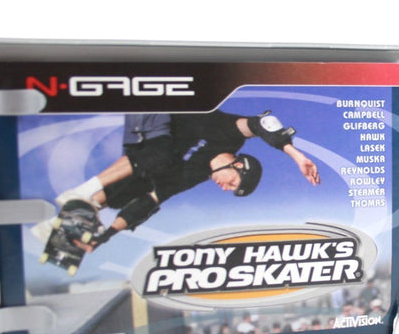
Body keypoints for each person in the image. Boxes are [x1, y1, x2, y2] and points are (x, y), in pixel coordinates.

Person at [41, 108, 321, 252]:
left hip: (146, 134)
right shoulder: (230, 135)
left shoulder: (195, 174)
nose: (225, 188)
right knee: (160, 158)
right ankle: (82, 192)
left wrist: (106, 236)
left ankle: (76, 215)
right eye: (233, 183)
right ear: (239, 165)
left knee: (142, 186)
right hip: (160, 104)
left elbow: (151, 200)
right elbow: (262, 123)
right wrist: (296, 155)